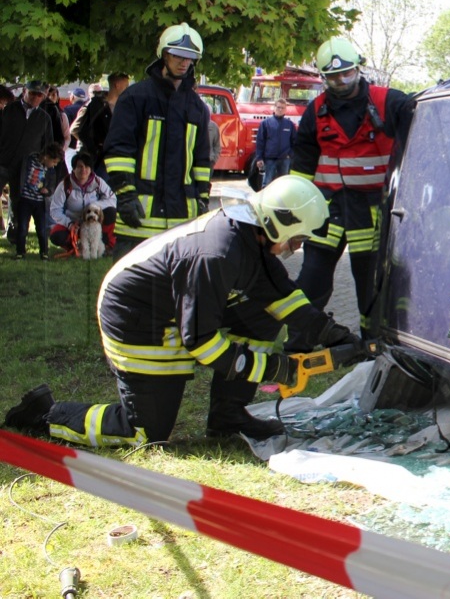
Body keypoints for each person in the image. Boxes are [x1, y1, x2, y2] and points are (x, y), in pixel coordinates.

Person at [2, 176, 367, 444]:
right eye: (298, 238)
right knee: (146, 432)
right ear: (281, 222)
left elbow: (284, 298)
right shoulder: (218, 254)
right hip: (135, 318)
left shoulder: (250, 234)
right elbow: (202, 343)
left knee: (261, 314)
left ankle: (226, 419)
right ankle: (45, 414)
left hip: (169, 310)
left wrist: (333, 334)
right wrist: (276, 368)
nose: (296, 246)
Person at [292, 36, 409, 335]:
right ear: (323, 77)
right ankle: (300, 341)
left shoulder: (390, 103)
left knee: (370, 285)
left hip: (370, 213)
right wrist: (295, 217)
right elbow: (302, 168)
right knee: (310, 281)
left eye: (347, 73)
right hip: (327, 213)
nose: (341, 80)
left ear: (359, 69)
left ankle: (373, 344)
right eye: (333, 76)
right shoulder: (315, 111)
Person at [105, 24, 211, 256]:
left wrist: (202, 198)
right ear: (164, 54)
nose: (184, 62)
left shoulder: (197, 108)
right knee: (130, 290)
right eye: (178, 55)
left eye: (190, 58)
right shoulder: (135, 98)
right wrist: (125, 195)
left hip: (183, 221)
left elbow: (202, 161)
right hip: (139, 220)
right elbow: (118, 152)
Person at [0, 80, 53, 241]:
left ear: (44, 97)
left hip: (26, 169)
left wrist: (44, 169)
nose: (35, 97)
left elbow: (48, 146)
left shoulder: (44, 118)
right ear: (24, 92)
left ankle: (15, 235)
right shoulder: (8, 110)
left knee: (19, 203)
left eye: (39, 95)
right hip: (3, 162)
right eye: (32, 93)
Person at [48, 151, 117, 254]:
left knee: (111, 212)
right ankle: (75, 247)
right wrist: (69, 224)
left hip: (94, 222)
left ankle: (106, 246)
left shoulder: (98, 182)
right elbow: (55, 210)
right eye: (80, 166)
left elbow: (113, 200)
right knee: (55, 235)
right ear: (74, 168)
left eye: (87, 166)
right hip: (74, 223)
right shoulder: (65, 185)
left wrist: (95, 206)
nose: (83, 170)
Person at [71, 72, 130, 180]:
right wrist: (94, 148)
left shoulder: (123, 107)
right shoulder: (97, 105)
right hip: (98, 160)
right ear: (117, 85)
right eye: (126, 86)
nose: (128, 89)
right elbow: (77, 129)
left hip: (114, 158)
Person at [12, 141, 63, 259]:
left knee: (41, 228)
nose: (54, 165)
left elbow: (51, 185)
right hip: (25, 199)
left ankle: (44, 252)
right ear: (46, 157)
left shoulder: (50, 171)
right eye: (54, 162)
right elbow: (19, 175)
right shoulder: (29, 160)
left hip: (39, 202)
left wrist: (48, 191)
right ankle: (20, 252)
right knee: (22, 227)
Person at [254, 98, 296, 187]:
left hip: (285, 159)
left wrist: (291, 154)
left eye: (282, 108)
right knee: (267, 183)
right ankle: (264, 200)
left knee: (283, 184)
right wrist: (259, 158)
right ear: (274, 108)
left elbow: (295, 142)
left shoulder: (290, 125)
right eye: (278, 107)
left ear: (286, 110)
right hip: (270, 159)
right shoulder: (266, 123)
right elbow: (260, 142)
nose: (280, 109)